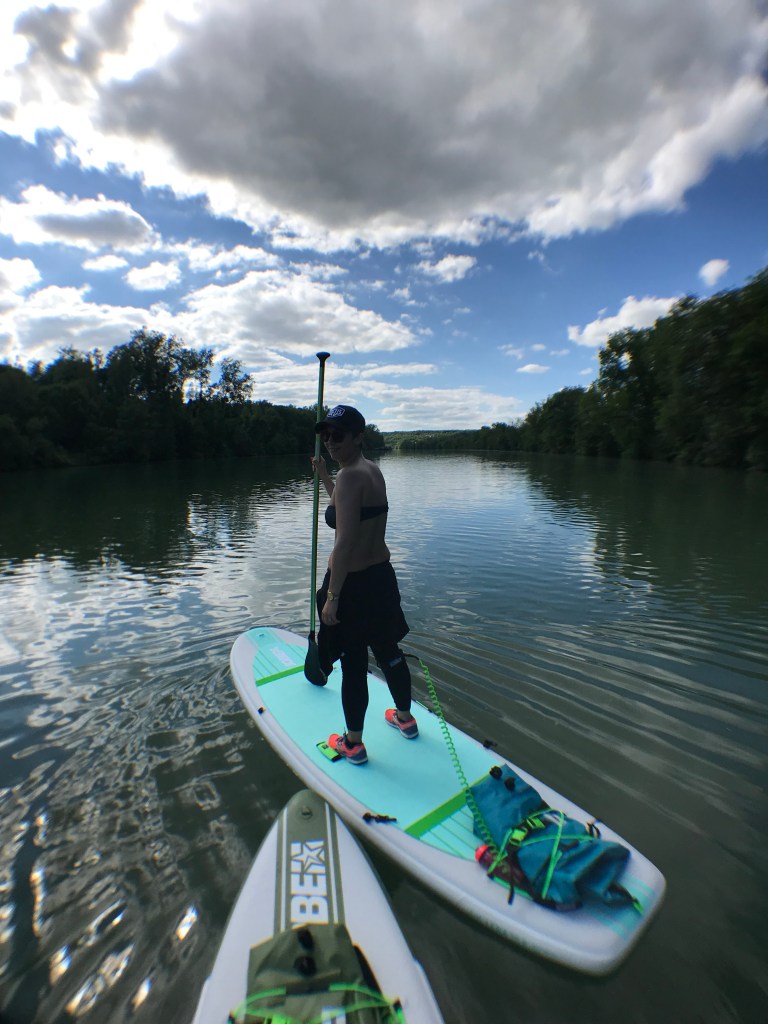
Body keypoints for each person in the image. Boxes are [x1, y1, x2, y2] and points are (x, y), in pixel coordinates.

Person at [310, 404, 417, 765]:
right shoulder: (369, 472)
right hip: (381, 579)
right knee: (389, 653)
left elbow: (344, 542)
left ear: (358, 436)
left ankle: (352, 744)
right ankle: (405, 719)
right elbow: (347, 511)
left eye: (338, 435)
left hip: (352, 585)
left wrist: (333, 598)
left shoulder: (350, 477)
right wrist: (326, 477)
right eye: (325, 436)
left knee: (354, 664)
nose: (329, 442)